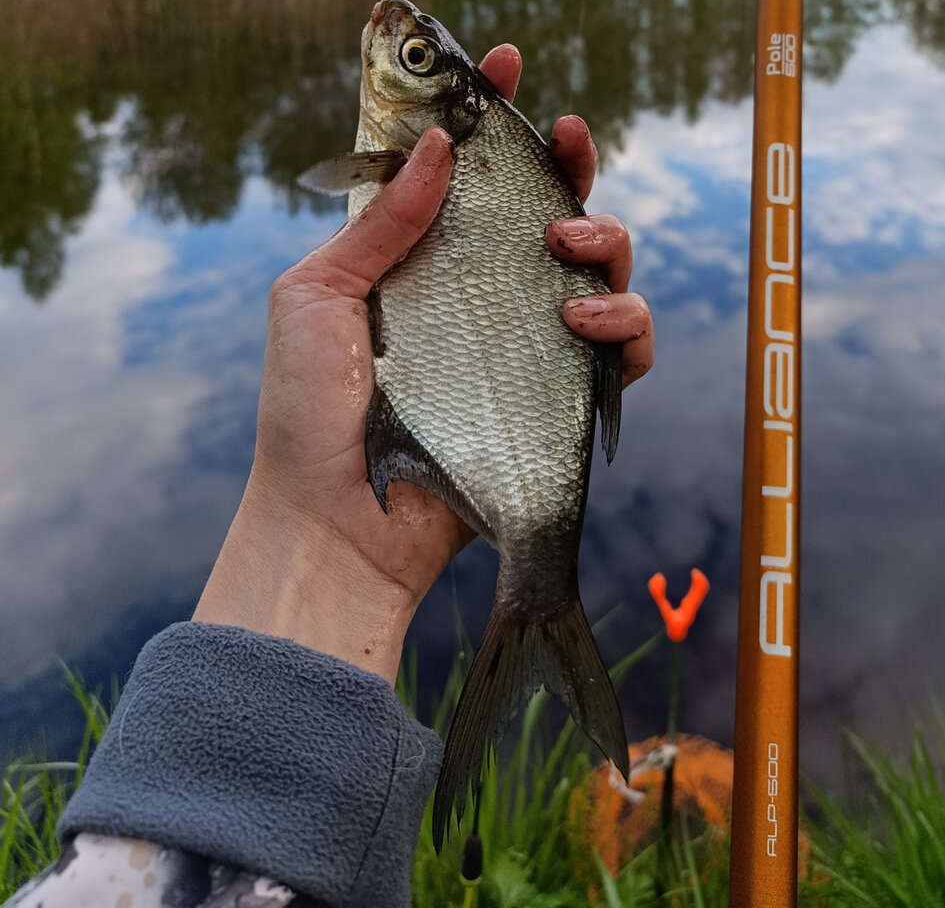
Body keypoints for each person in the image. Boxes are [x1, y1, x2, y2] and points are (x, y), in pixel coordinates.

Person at [4, 45, 653, 908]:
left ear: (438, 115)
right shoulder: (429, 159)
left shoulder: (446, 152)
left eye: (414, 55)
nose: (392, 44)